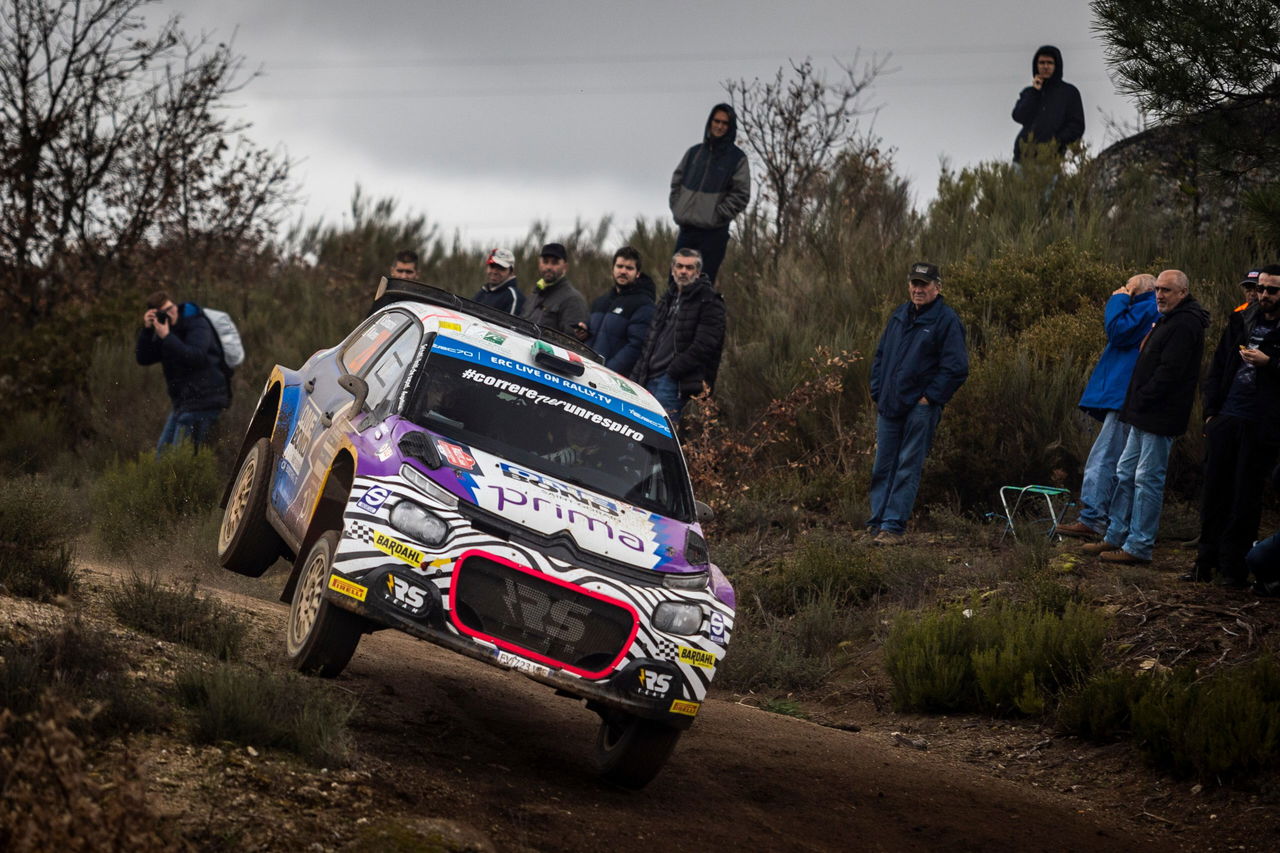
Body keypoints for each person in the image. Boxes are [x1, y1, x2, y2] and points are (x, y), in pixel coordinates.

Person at [1084, 270, 1209, 564]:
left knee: (1147, 478)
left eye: (1167, 290)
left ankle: (1139, 546)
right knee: (1126, 473)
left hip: (1159, 415)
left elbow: (1170, 372)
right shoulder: (1168, 318)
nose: (1160, 295)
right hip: (1142, 412)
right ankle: (1115, 536)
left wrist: (1142, 397)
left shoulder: (1185, 323)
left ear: (1183, 292)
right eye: (1158, 290)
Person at [1185, 264, 1280, 587]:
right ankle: (1204, 561)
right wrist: (1212, 413)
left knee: (1245, 496)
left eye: (1272, 290)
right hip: (1228, 416)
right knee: (1214, 491)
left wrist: (1270, 363)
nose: (1263, 295)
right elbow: (1219, 365)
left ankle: (1233, 567)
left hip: (1261, 423)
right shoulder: (1241, 319)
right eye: (1261, 288)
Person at [866, 263, 969, 546]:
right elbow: (880, 356)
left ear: (937, 286)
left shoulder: (946, 320)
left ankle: (893, 527)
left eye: (924, 284)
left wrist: (929, 398)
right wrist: (878, 390)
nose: (918, 289)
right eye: (914, 283)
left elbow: (956, 367)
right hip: (889, 405)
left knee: (907, 467)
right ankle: (876, 525)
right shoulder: (899, 315)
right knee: (882, 467)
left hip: (919, 409)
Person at [1057, 274, 1160, 539]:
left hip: (1124, 395)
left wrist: (1119, 299)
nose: (1123, 290)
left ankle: (1093, 519)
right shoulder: (1146, 308)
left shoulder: (1146, 306)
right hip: (1123, 394)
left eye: (1129, 287)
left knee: (1105, 457)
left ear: (1140, 289)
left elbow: (1117, 331)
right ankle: (1110, 523)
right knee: (1119, 462)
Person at [632, 249, 726, 420]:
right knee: (636, 429)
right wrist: (637, 376)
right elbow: (650, 341)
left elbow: (705, 345)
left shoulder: (709, 301)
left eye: (689, 267)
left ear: (697, 272)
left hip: (675, 381)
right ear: (673, 269)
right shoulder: (667, 298)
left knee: (658, 436)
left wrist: (673, 371)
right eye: (680, 266)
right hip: (649, 377)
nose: (683, 271)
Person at [135, 290, 231, 453]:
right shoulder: (165, 330)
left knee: (178, 460)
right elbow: (143, 358)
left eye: (171, 307)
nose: (172, 312)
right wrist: (147, 329)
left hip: (204, 400)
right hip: (183, 404)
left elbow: (196, 356)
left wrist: (167, 337)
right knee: (163, 457)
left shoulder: (196, 322)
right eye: (165, 311)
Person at [669, 103, 751, 284]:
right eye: (716, 121)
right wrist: (678, 208)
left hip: (713, 234)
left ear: (730, 127)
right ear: (710, 122)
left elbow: (742, 194)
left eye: (725, 123)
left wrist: (718, 216)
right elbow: (676, 181)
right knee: (674, 285)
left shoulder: (737, 159)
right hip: (686, 230)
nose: (720, 126)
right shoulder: (694, 153)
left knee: (702, 286)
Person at [583, 246, 657, 377]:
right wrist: (582, 333)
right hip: (586, 372)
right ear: (612, 269)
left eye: (629, 268)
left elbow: (637, 346)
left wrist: (607, 372)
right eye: (620, 266)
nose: (623, 271)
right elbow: (594, 336)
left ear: (638, 273)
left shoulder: (644, 304)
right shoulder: (601, 301)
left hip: (612, 380)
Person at [1011, 45, 1085, 162]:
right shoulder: (1029, 92)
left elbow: (1076, 126)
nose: (1045, 66)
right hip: (1022, 158)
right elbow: (1018, 116)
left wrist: (1055, 142)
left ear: (1056, 66)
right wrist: (1035, 93)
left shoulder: (1069, 93)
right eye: (1041, 63)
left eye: (1050, 63)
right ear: (1036, 65)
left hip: (1052, 159)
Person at [523, 242, 588, 337]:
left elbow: (572, 343)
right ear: (539, 264)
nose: (549, 267)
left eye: (555, 263)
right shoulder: (534, 294)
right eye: (545, 261)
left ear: (565, 266)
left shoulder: (573, 299)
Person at [473, 248, 524, 315]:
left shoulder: (514, 298)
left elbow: (510, 325)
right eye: (492, 266)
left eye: (501, 268)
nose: (494, 271)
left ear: (511, 272)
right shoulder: (483, 292)